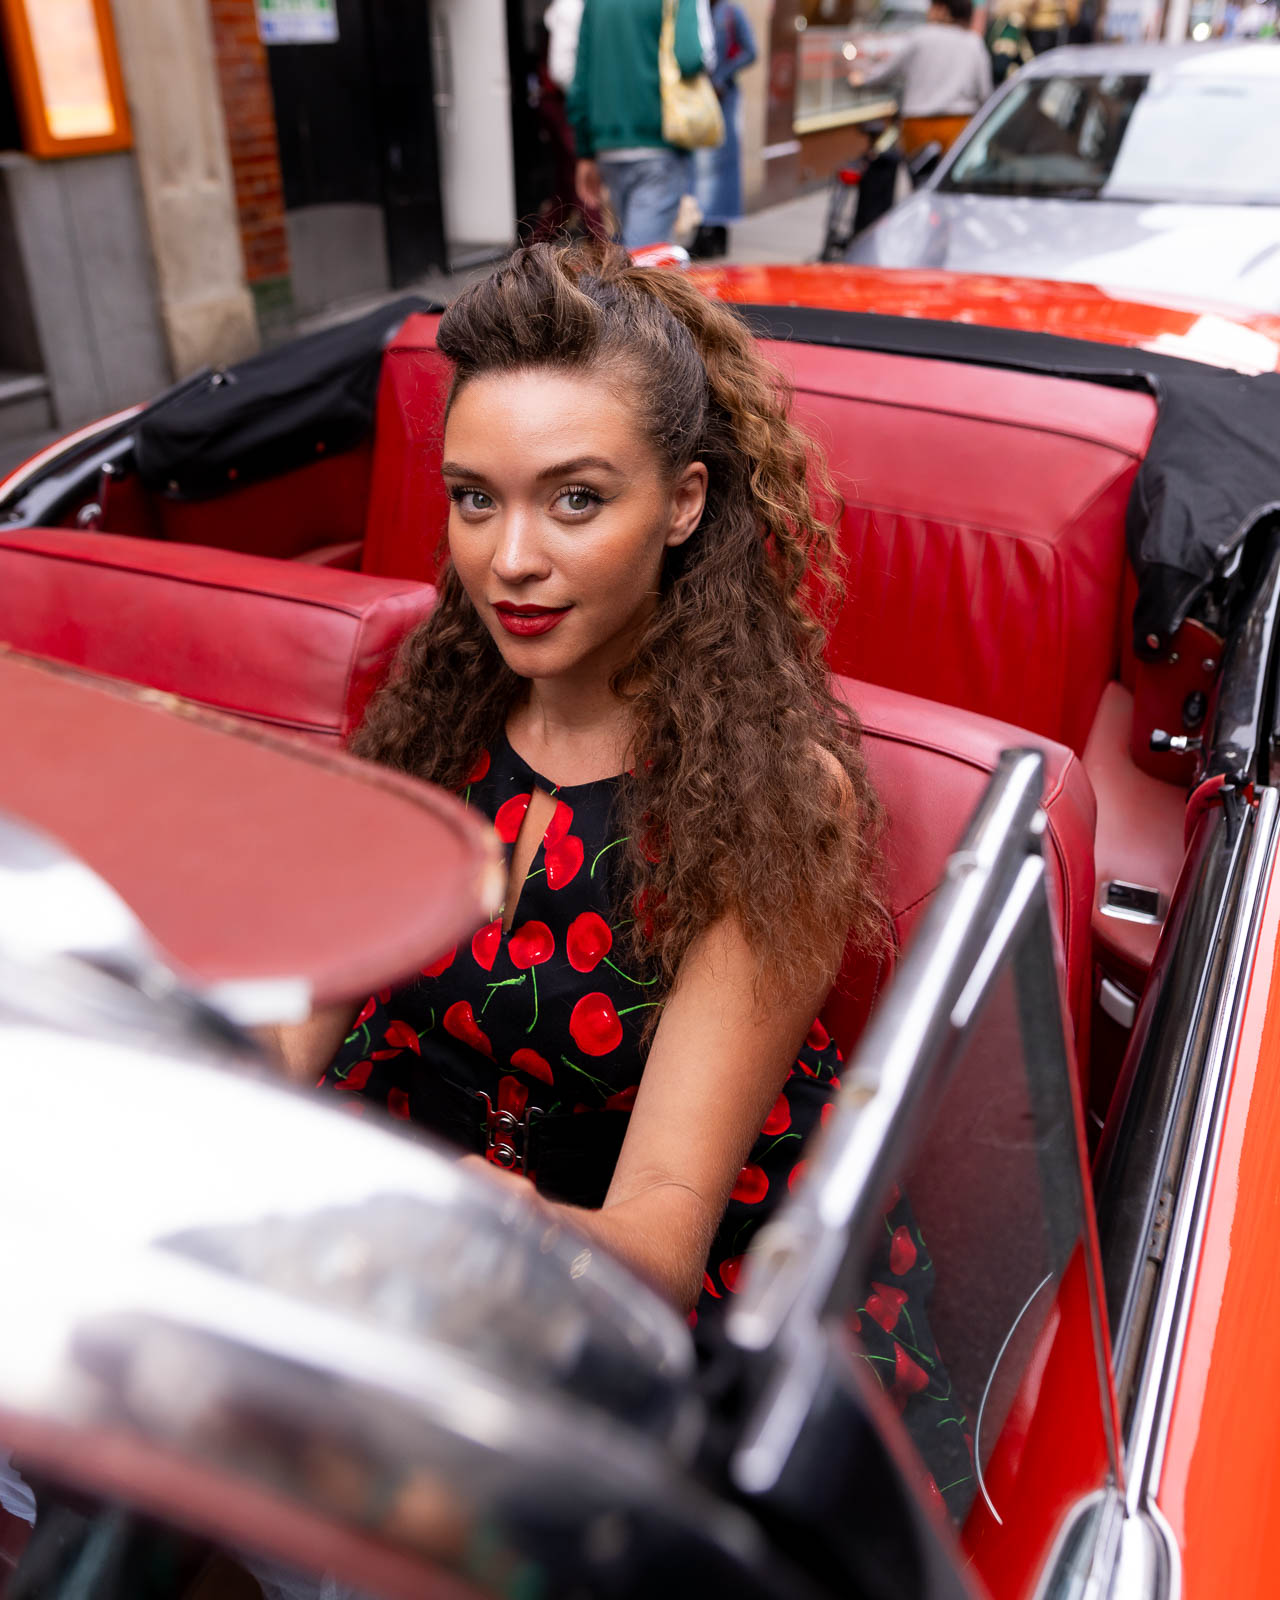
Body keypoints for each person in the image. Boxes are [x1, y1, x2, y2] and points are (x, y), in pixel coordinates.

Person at [266, 241, 972, 1514]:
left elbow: (652, 1242)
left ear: (686, 502)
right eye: (474, 499)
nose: (509, 561)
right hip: (415, 1232)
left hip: (664, 1295)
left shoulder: (773, 797)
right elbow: (287, 1034)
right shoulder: (430, 709)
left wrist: (472, 1223)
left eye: (575, 500)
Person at [568, 0, 709, 250]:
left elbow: (580, 79)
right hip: (658, 140)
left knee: (629, 254)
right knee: (644, 263)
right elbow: (689, 58)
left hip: (608, 147)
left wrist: (585, 151)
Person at [850, 0, 993, 159]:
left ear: (943, 10)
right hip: (958, 123)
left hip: (917, 124)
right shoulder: (973, 42)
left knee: (917, 175)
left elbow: (887, 72)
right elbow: (985, 91)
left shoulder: (919, 37)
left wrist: (861, 79)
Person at [690, 0, 759, 260]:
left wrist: (722, 76)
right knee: (701, 166)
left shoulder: (731, 13)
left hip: (723, 100)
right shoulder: (695, 10)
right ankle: (706, 231)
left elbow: (751, 51)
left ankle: (715, 233)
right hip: (700, 100)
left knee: (721, 166)